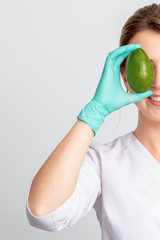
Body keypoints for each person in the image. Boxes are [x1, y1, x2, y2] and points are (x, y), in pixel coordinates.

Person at [26, 3, 160, 239]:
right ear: (124, 75)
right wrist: (95, 112)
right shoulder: (103, 163)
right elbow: (43, 212)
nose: (157, 81)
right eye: (147, 67)